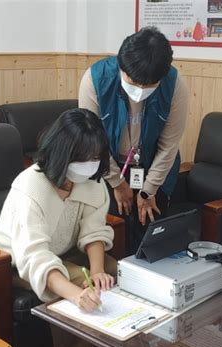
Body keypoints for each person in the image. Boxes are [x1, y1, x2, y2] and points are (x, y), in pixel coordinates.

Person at [0, 108, 116, 347]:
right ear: (62, 153)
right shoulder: (30, 187)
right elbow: (34, 256)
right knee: (79, 283)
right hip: (16, 263)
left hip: (64, 252)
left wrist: (99, 271)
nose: (89, 166)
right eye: (82, 158)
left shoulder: (92, 183)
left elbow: (94, 229)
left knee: (113, 273)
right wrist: (77, 294)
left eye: (95, 157)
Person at [79, 26, 189, 254]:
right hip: (108, 165)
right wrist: (117, 182)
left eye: (147, 85)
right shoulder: (95, 79)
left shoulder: (174, 83)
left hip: (154, 168)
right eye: (133, 81)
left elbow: (169, 145)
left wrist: (148, 191)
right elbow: (91, 140)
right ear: (121, 65)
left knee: (149, 232)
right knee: (113, 231)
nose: (139, 89)